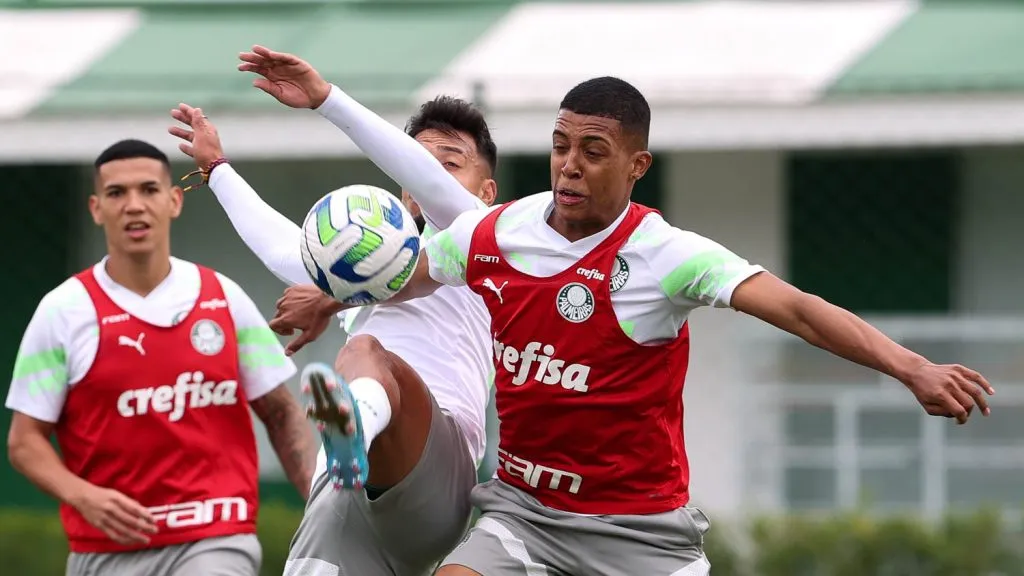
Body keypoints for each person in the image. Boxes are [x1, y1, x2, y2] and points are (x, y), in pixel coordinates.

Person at [264, 67, 997, 574]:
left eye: (593, 152)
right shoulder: (496, 234)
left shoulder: (665, 257)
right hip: (523, 514)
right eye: (559, 147)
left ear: (636, 164)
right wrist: (333, 295)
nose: (570, 166)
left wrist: (912, 367)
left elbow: (799, 310)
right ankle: (354, 423)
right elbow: (404, 275)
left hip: (640, 532)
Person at [167, 48, 499, 574]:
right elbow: (287, 250)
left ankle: (351, 429)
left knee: (367, 351)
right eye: (417, 162)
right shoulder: (363, 271)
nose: (429, 174)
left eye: (450, 163)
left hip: (437, 474)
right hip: (349, 495)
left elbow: (425, 184)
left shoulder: (486, 236)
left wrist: (327, 100)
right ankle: (345, 446)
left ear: (486, 191)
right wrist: (217, 170)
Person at [4, 140, 316, 576]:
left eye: (149, 190)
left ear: (173, 201)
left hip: (216, 535)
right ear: (96, 208)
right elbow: (24, 442)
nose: (134, 205)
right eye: (117, 193)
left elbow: (281, 413)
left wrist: (322, 506)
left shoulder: (223, 298)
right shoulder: (62, 311)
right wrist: (83, 496)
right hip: (106, 549)